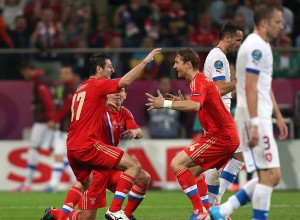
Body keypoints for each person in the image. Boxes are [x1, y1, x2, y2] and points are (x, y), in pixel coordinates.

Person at [42, 48, 161, 220]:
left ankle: (56, 215)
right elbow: (125, 80)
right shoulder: (98, 85)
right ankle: (115, 211)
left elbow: (88, 107)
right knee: (134, 165)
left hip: (73, 148)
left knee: (87, 209)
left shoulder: (80, 89)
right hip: (89, 146)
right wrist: (145, 61)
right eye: (109, 67)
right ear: (99, 69)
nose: (112, 71)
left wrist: (105, 103)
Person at [209, 4, 288, 220]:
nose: (282, 27)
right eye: (278, 22)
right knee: (268, 175)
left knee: (274, 176)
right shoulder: (255, 47)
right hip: (254, 117)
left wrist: (277, 115)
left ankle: (222, 210)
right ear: (264, 22)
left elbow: (264, 84)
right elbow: (250, 87)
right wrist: (254, 122)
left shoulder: (262, 45)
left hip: (260, 115)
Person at [145, 48, 240, 220]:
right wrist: (183, 102)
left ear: (188, 64)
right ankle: (210, 212)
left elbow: (195, 106)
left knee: (177, 163)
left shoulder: (198, 81)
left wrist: (165, 103)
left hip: (220, 137)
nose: (174, 66)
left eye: (177, 62)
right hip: (225, 136)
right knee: (194, 172)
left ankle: (200, 212)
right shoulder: (198, 82)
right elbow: (201, 105)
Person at [43, 87, 150, 220]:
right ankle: (56, 214)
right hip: (95, 162)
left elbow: (138, 131)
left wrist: (135, 133)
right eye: (113, 92)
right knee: (86, 216)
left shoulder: (125, 113)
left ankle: (125, 215)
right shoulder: (96, 110)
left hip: (111, 164)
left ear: (125, 95)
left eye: (121, 91)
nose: (117, 94)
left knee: (143, 178)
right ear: (106, 95)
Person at [201, 20, 244, 207]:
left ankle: (212, 203)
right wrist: (240, 79)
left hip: (218, 113)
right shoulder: (217, 57)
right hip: (219, 114)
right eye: (237, 40)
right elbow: (219, 89)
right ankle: (212, 204)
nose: (239, 44)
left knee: (229, 158)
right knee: (227, 158)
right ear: (227, 37)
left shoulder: (218, 56)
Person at [14, 62, 56, 192]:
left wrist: (51, 118)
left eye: (24, 72)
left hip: (43, 121)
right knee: (56, 150)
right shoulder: (48, 80)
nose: (24, 75)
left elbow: (47, 100)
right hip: (50, 120)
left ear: (28, 69)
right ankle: (74, 181)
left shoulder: (40, 81)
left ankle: (28, 183)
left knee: (34, 149)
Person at [45, 65, 77, 192]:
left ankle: (56, 183)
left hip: (70, 128)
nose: (63, 75)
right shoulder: (62, 88)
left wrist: (54, 120)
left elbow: (66, 108)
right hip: (62, 128)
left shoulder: (73, 89)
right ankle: (55, 184)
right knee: (60, 155)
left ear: (72, 74)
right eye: (62, 73)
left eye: (66, 73)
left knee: (63, 156)